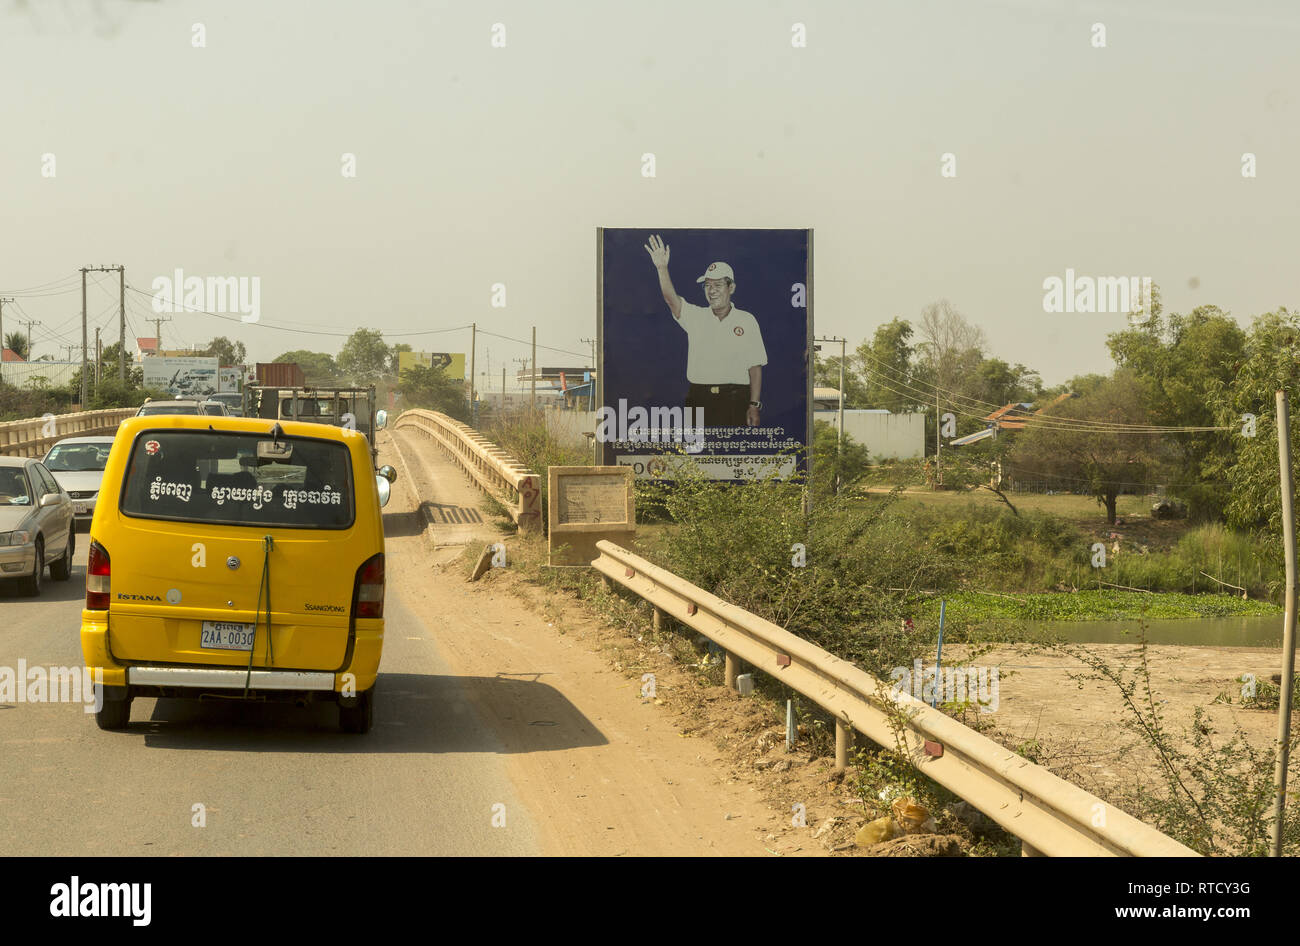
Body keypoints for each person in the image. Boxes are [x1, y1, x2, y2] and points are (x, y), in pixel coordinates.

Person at [644, 234, 767, 427]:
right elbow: (671, 299)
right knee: (694, 455)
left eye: (718, 285)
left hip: (736, 398)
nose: (712, 291)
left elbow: (755, 367)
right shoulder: (696, 316)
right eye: (707, 286)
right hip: (698, 398)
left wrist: (754, 405)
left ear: (731, 287)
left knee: (732, 454)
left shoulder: (747, 320)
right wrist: (662, 268)